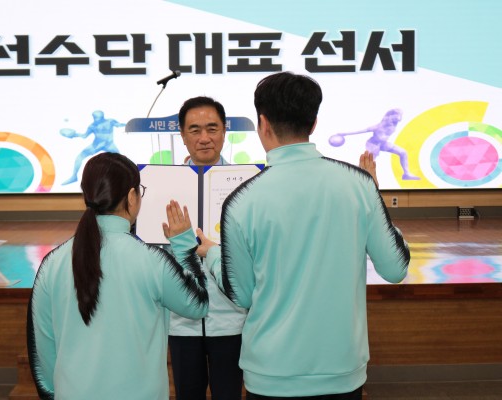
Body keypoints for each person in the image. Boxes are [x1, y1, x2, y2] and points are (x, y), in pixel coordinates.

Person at [168, 72, 410, 399]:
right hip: (342, 370)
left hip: (271, 372)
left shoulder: (242, 199)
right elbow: (395, 269)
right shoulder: (359, 184)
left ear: (263, 124)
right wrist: (376, 204)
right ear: (313, 123)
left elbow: (242, 295)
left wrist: (211, 252)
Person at [27, 152, 209, 400]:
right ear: (132, 197)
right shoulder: (152, 260)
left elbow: (43, 352)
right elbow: (198, 305)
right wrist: (185, 244)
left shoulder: (51, 263)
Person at [168, 96, 247, 400]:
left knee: (229, 393)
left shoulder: (246, 184)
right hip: (181, 320)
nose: (204, 138)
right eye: (195, 130)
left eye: (212, 128)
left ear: (225, 131)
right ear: (182, 135)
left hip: (231, 317)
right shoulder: (163, 184)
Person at [329, 108, 420, 180]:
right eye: (394, 117)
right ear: (388, 118)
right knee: (367, 163)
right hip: (373, 144)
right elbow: (360, 131)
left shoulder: (393, 125)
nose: (397, 119)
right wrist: (344, 133)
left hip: (383, 144)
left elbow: (399, 116)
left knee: (403, 152)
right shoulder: (378, 126)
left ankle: (406, 174)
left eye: (398, 118)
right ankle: (351, 173)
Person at [60, 110, 126, 185]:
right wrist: (75, 135)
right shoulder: (92, 126)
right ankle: (74, 176)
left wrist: (129, 125)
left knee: (121, 160)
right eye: (95, 117)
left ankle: (123, 178)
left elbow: (119, 125)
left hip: (109, 145)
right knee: (80, 156)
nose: (96, 119)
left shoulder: (110, 121)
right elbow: (84, 136)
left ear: (102, 117)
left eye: (97, 118)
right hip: (96, 145)